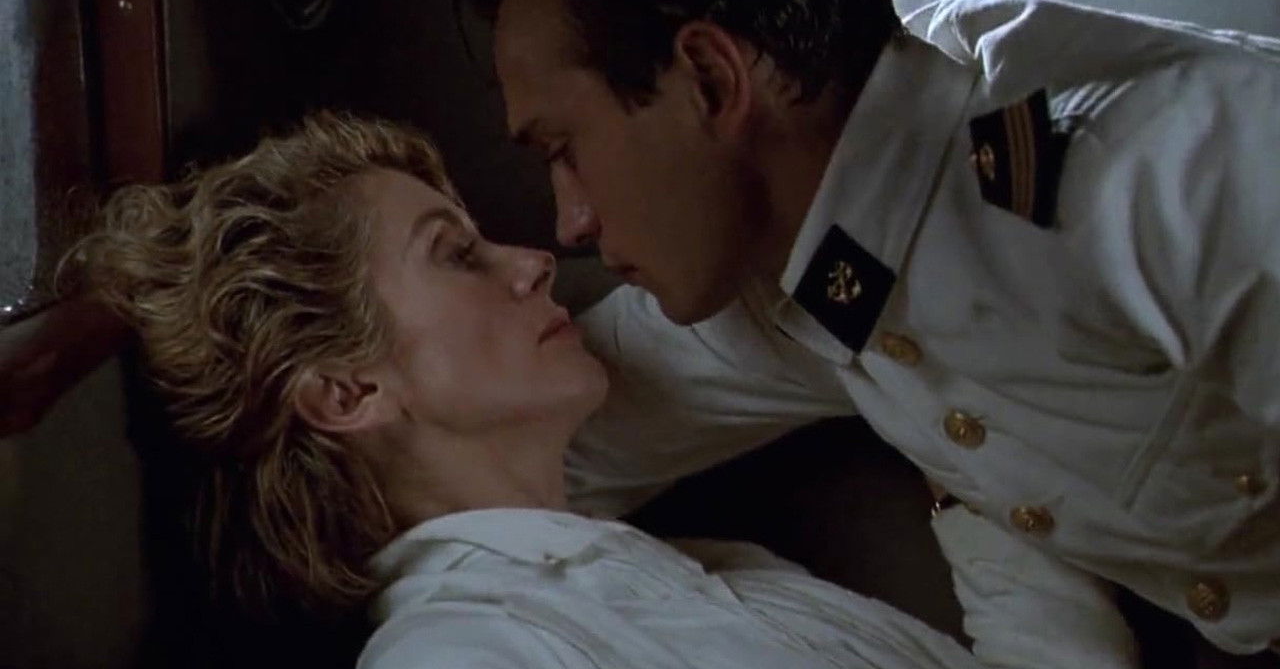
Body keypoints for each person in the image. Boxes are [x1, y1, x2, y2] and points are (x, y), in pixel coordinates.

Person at [452, 0, 1280, 664]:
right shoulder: (789, 262)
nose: (570, 223)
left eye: (564, 150)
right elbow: (521, 449)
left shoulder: (1154, 171)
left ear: (709, 78)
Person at [57, 112, 986, 668]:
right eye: (457, 255)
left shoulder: (662, 560)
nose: (535, 260)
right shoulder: (462, 651)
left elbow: (817, 315)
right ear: (346, 392)